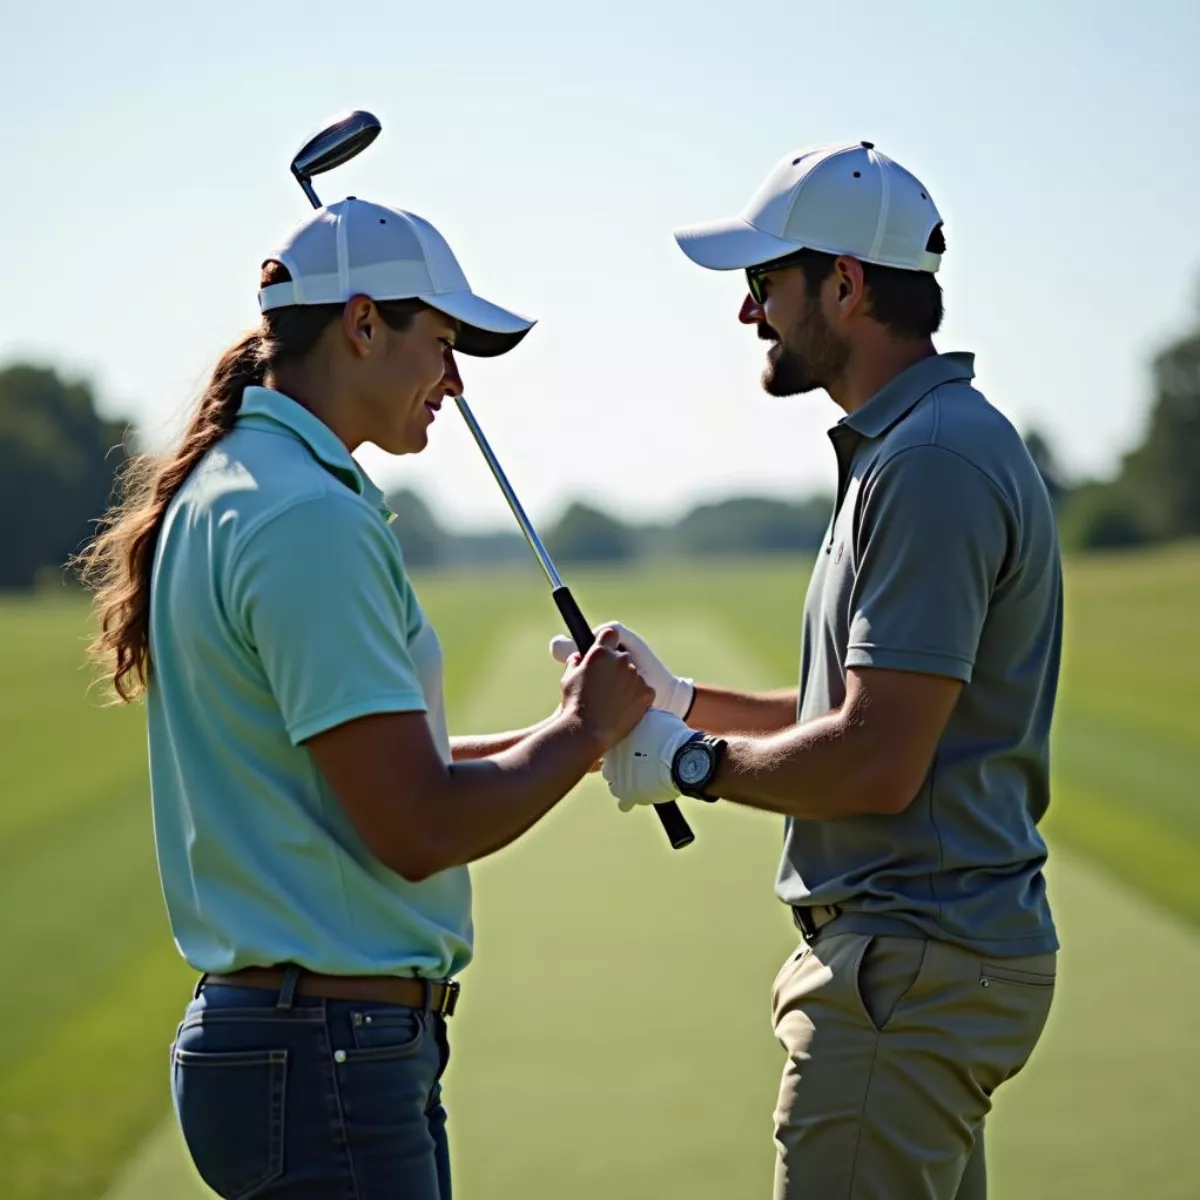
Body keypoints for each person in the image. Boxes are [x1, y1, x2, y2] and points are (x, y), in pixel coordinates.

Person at [77, 196, 653, 1199]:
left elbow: (364, 770)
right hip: (328, 1055)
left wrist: (576, 737)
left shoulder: (244, 482)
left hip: (305, 1048)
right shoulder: (306, 520)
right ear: (361, 323)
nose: (455, 378)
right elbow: (414, 823)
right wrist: (581, 727)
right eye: (442, 342)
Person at [552, 142, 1062, 1199]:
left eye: (764, 282)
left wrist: (691, 764)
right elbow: (859, 705)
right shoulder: (909, 449)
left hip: (909, 970)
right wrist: (680, 699)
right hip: (921, 970)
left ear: (846, 282)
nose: (749, 313)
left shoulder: (927, 463)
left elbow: (876, 760)